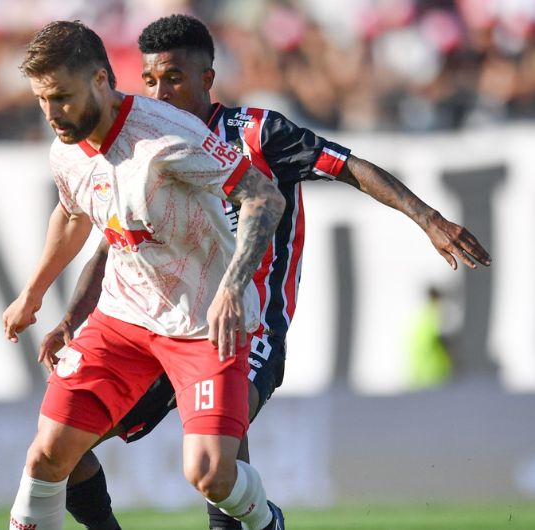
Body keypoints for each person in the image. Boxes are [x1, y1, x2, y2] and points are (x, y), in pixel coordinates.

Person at [36, 14, 493, 530]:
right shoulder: (139, 144)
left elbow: (347, 166)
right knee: (65, 452)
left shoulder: (256, 133)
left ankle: (259, 521)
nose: (161, 93)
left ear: (208, 79)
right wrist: (72, 315)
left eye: (175, 78)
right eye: (150, 81)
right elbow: (113, 246)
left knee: (217, 464)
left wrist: (428, 219)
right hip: (153, 323)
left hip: (247, 325)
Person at [3, 20, 288, 530]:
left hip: (202, 321)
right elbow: (71, 215)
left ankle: (265, 520)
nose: (51, 114)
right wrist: (33, 293)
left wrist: (231, 288)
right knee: (47, 458)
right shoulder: (65, 149)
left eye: (61, 98)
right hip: (121, 320)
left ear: (99, 80)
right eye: (42, 100)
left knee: (210, 475)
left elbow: (263, 195)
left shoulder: (166, 137)